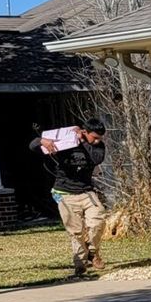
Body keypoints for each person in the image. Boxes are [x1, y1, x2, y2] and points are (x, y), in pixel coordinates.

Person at [31, 118, 109, 276]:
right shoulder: (65, 142)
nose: (97, 141)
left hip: (87, 191)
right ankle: (80, 263)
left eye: (99, 138)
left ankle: (93, 253)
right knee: (76, 231)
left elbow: (96, 159)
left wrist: (82, 141)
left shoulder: (97, 146)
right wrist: (42, 141)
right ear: (85, 131)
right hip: (65, 192)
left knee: (97, 221)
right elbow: (32, 146)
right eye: (94, 137)